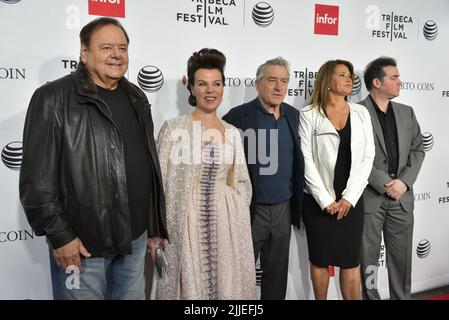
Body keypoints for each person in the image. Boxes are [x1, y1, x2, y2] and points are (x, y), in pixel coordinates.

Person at [19, 17, 168, 300]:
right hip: (83, 246)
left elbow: (145, 167)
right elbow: (36, 182)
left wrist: (152, 226)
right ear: (84, 53)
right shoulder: (52, 98)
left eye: (122, 47)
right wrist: (60, 236)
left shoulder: (136, 97)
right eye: (106, 47)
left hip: (133, 242)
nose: (116, 54)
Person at [153, 48, 256, 299]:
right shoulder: (174, 128)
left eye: (216, 84)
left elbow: (242, 181)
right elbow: (157, 184)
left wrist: (234, 212)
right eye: (203, 84)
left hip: (226, 226)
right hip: (184, 223)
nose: (210, 91)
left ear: (223, 87)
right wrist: (158, 229)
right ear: (191, 89)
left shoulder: (231, 132)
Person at [223, 57, 304, 300]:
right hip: (248, 210)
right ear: (258, 84)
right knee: (238, 276)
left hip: (283, 209)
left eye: (284, 81)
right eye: (272, 80)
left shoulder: (294, 116)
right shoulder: (236, 118)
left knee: (277, 276)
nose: (279, 87)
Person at [298, 59, 375, 300]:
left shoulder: (361, 113)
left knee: (350, 262)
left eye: (350, 75)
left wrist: (349, 198)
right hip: (318, 201)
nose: (349, 79)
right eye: (342, 75)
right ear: (327, 80)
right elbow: (306, 159)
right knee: (320, 260)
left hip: (351, 201)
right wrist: (325, 200)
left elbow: (367, 156)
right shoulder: (309, 113)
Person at [359, 57, 425, 300]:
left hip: (402, 197)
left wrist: (404, 182)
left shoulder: (407, 113)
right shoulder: (356, 112)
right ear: (377, 82)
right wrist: (384, 183)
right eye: (394, 77)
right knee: (369, 262)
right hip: (370, 198)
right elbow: (353, 155)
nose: (400, 81)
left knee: (401, 260)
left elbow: (418, 148)